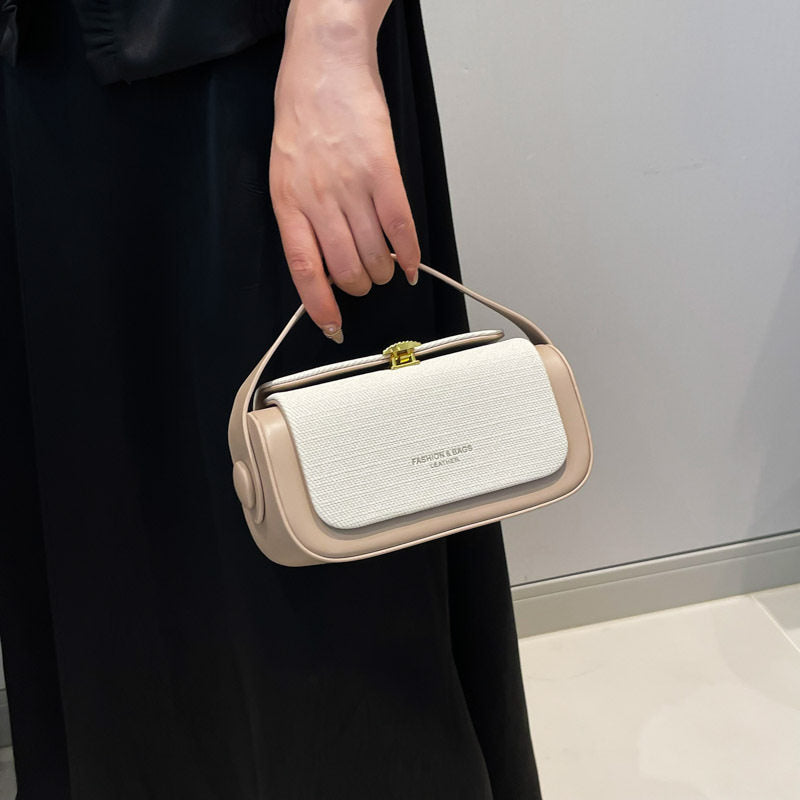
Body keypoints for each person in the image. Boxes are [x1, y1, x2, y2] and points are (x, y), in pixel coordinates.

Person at [0, 0, 545, 797]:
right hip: (40, 92)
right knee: (105, 576)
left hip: (259, 61)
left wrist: (335, 38)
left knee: (324, 557)